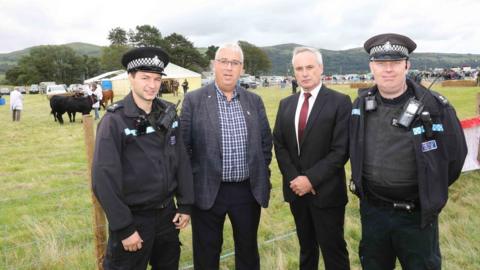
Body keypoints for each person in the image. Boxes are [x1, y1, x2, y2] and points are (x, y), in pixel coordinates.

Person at [349, 33, 467, 269]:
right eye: (381, 64)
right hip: (373, 213)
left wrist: (430, 188)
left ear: (407, 65)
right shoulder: (360, 105)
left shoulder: (435, 107)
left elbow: (455, 157)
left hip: (417, 216)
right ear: (372, 66)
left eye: (395, 63)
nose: (388, 70)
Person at [92, 47, 194, 270]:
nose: (152, 84)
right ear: (130, 78)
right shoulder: (115, 121)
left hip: (168, 216)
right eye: (145, 77)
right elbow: (103, 179)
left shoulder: (168, 112)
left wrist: (185, 204)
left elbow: (181, 160)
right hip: (133, 218)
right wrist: (124, 228)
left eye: (157, 78)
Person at [180, 43, 272, 270]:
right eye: (223, 62)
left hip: (246, 191)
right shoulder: (194, 100)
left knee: (248, 251)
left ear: (241, 68)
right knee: (207, 253)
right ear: (214, 65)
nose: (229, 68)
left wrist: (259, 174)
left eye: (235, 63)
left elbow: (265, 145)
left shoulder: (254, 101)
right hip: (208, 190)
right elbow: (183, 148)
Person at [273, 47, 351, 270]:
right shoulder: (286, 104)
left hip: (327, 193)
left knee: (333, 251)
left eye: (309, 67)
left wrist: (311, 180)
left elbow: (340, 150)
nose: (304, 73)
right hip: (297, 192)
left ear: (321, 69)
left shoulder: (339, 102)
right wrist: (296, 179)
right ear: (294, 72)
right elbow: (279, 145)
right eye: (299, 68)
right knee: (306, 250)